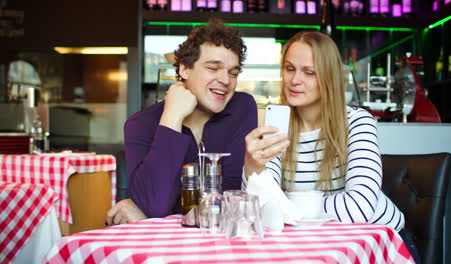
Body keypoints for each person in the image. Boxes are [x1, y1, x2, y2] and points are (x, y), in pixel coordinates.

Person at [242, 31, 419, 261]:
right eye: (289, 68)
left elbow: (359, 206)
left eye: (309, 72)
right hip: (317, 244)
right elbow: (261, 209)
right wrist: (251, 166)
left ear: (329, 77)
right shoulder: (276, 126)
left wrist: (287, 208)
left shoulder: (357, 121)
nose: (295, 80)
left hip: (379, 245)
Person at [106, 19, 258, 225]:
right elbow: (154, 203)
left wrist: (151, 211)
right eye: (213, 68)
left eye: (233, 72)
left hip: (223, 239)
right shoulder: (140, 124)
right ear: (184, 69)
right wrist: (172, 118)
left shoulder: (242, 107)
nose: (226, 80)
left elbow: (232, 193)